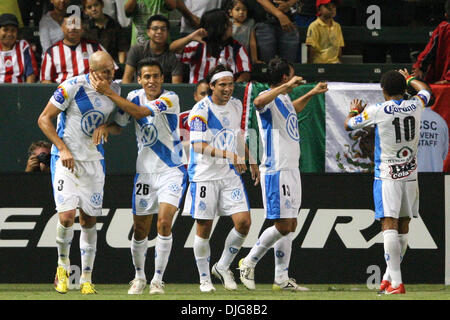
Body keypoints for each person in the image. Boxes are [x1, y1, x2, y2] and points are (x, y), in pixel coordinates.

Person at [89, 58, 187, 295]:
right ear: (139, 79)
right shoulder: (132, 96)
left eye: (156, 76)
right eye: (147, 77)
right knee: (140, 229)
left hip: (172, 169)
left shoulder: (170, 98)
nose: (152, 81)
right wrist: (105, 127)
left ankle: (157, 280)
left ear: (162, 78)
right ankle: (139, 277)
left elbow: (141, 112)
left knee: (164, 222)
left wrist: (108, 93)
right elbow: (121, 124)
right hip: (144, 172)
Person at [238, 57, 327, 291]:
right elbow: (257, 101)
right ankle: (248, 262)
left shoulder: (285, 98)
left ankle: (281, 278)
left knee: (291, 223)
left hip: (291, 168)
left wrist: (312, 93)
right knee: (283, 225)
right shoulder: (269, 99)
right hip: (276, 169)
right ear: (285, 78)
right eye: (292, 74)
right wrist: (286, 88)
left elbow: (291, 112)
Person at [37, 51, 120, 295]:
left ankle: (86, 278)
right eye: (105, 71)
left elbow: (119, 125)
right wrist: (62, 148)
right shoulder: (71, 86)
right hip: (66, 161)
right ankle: (62, 268)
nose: (111, 74)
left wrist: (106, 126)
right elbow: (44, 119)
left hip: (94, 162)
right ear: (92, 70)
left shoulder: (115, 90)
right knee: (66, 217)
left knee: (89, 220)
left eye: (112, 69)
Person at [343, 69, 432, 294]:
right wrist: (411, 78)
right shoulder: (416, 104)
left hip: (388, 174)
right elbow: (427, 91)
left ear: (383, 91)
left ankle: (396, 284)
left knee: (388, 224)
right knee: (403, 225)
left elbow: (348, 124)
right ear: (404, 88)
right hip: (410, 173)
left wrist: (354, 110)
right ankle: (388, 277)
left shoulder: (377, 110)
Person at [182, 65, 259, 292]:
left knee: (244, 222)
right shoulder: (200, 111)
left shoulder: (236, 105)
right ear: (212, 86)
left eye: (230, 84)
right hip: (205, 176)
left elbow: (236, 136)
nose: (227, 89)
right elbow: (197, 145)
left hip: (229, 175)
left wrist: (251, 158)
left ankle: (223, 266)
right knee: (204, 227)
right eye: (222, 85)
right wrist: (231, 155)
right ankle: (204, 278)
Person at [170, 8, 251, 83]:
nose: (231, 24)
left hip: (226, 95)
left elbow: (245, 73)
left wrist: (233, 87)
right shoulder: (198, 44)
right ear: (218, 27)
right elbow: (173, 48)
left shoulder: (236, 47)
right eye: (227, 23)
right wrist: (190, 37)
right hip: (199, 94)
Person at [40, 14, 110, 83]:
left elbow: (110, 69)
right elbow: (45, 80)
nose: (73, 27)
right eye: (69, 24)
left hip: (91, 92)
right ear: (62, 28)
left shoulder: (95, 48)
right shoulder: (52, 52)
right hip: (63, 92)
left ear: (82, 28)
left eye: (76, 24)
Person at [122, 14, 183, 83]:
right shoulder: (137, 49)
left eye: (163, 29)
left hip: (165, 92)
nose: (159, 31)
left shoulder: (174, 53)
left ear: (168, 33)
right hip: (139, 91)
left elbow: (176, 85)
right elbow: (127, 78)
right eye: (155, 28)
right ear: (148, 32)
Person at [412, 0, 450, 84]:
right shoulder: (443, 29)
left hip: (444, 86)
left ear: (446, 15)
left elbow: (428, 52)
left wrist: (420, 66)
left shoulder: (443, 29)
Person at [0, 13, 38, 83]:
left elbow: (31, 75)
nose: (9, 34)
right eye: (5, 30)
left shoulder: (23, 46)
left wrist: (25, 93)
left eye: (13, 30)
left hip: (19, 92)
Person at [225, 0, 263, 65]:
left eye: (244, 10)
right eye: (237, 9)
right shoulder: (228, 23)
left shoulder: (250, 23)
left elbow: (252, 42)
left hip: (245, 58)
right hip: (230, 58)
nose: (241, 12)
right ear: (230, 12)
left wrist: (255, 59)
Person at [418, 107, 449, 172]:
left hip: (410, 176)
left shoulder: (406, 118)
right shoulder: (440, 121)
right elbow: (444, 153)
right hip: (435, 176)